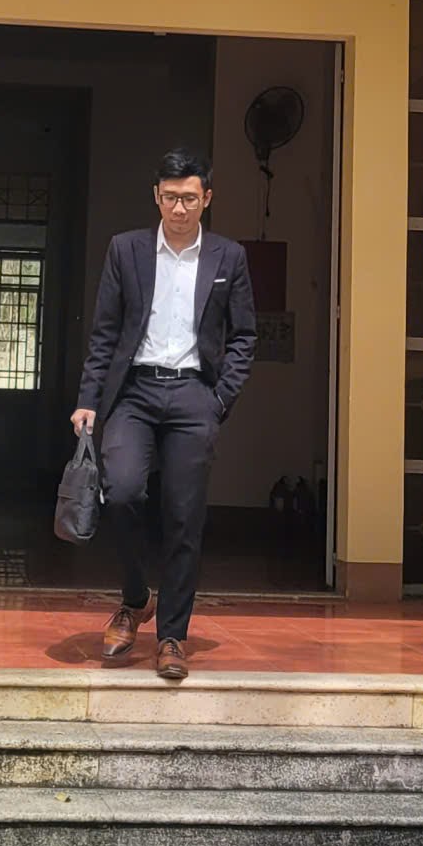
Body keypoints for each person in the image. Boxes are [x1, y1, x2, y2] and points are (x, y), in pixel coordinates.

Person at [71, 148, 258, 683]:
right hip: (133, 392)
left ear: (207, 199)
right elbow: (105, 332)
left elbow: (244, 336)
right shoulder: (125, 250)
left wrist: (219, 399)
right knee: (122, 492)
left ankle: (172, 635)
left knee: (184, 516)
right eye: (171, 197)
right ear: (156, 196)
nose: (179, 208)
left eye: (190, 199)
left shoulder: (228, 257)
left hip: (195, 396)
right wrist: (88, 398)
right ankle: (135, 597)